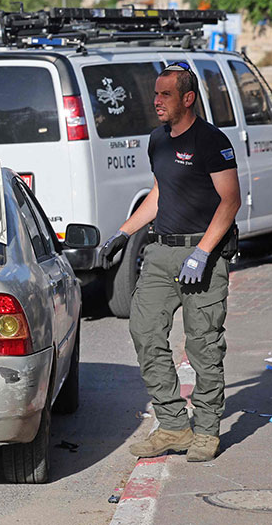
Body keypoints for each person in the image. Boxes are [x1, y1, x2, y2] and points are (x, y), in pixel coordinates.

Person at [97, 62, 240, 463]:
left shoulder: (212, 141)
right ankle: (174, 425)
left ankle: (207, 430)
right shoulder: (157, 139)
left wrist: (203, 252)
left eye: (165, 95)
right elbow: (160, 193)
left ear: (188, 98)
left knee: (203, 345)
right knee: (144, 332)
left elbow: (230, 201)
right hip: (160, 254)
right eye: (155, 94)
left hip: (203, 255)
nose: (155, 101)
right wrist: (123, 233)